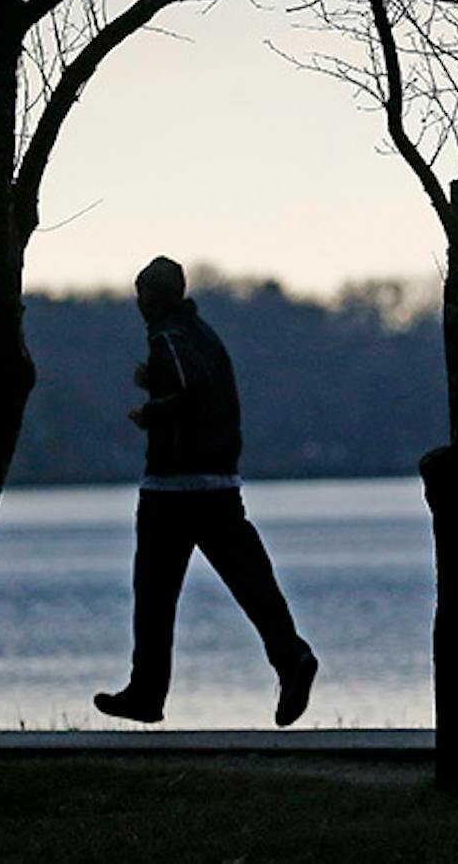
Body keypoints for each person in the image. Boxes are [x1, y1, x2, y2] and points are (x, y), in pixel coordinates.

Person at [95, 256, 319, 726]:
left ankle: (147, 693)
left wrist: (153, 412)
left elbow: (188, 385)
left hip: (173, 489)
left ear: (150, 299)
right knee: (252, 583)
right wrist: (155, 384)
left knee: (154, 595)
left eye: (141, 296)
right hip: (220, 483)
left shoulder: (168, 335)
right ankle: (291, 658)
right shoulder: (202, 333)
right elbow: (196, 383)